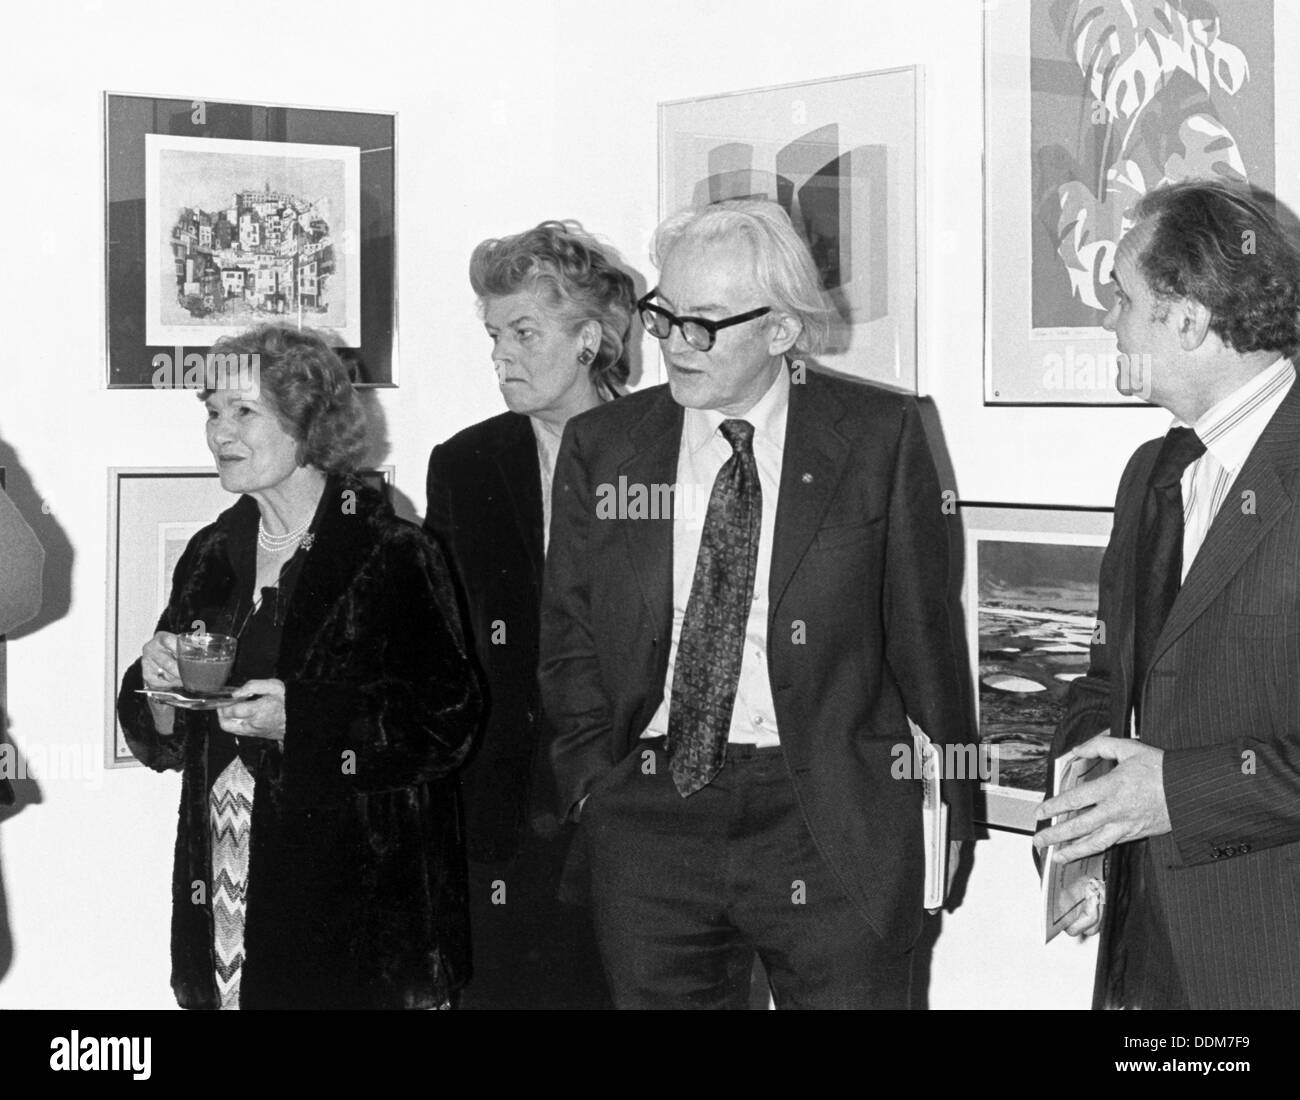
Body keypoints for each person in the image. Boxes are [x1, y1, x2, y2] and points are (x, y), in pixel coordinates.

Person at [538, 199, 975, 1009]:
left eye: (702, 322)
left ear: (781, 330)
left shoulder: (881, 435)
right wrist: (595, 787)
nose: (671, 341)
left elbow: (926, 639)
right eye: (662, 314)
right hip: (651, 812)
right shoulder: (606, 447)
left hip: (830, 815)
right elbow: (568, 633)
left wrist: (952, 808)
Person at [117, 323, 481, 1010]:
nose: (221, 432)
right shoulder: (213, 552)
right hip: (226, 876)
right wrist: (157, 689)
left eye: (245, 411)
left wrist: (305, 718)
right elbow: (161, 733)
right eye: (213, 411)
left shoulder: (390, 550)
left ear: (308, 422)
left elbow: (448, 723)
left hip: (359, 905)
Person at [1036, 179, 1300, 1009]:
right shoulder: (1151, 475)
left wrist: (1171, 796)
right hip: (1142, 956)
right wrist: (1085, 831)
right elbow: (1106, 683)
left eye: (1122, 298)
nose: (1108, 322)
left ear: (1187, 318)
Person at [425, 220, 634, 1008]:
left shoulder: (666, 452)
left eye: (523, 332)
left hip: (631, 800)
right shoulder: (467, 463)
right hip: (502, 809)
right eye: (492, 334)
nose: (499, 355)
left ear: (589, 339)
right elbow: (444, 643)